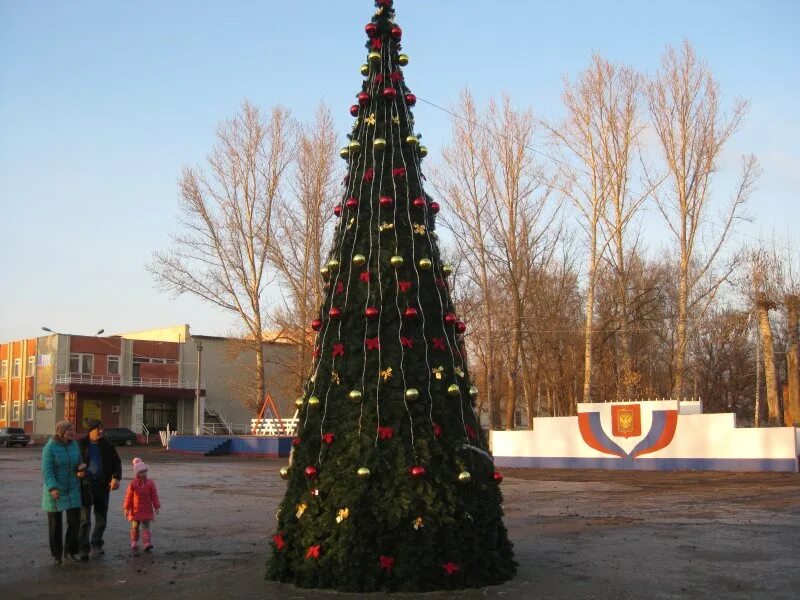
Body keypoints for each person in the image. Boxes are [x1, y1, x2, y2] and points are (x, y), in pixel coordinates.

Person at [78, 419, 122, 559]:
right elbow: (73, 461)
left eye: (102, 429)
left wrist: (116, 477)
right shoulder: (81, 444)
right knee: (84, 519)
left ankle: (97, 544)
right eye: (98, 429)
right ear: (90, 430)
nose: (101, 431)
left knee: (101, 518)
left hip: (102, 486)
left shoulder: (107, 445)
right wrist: (76, 471)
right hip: (85, 486)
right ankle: (83, 547)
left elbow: (117, 462)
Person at [41, 420, 84, 564]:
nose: (72, 432)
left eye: (73, 429)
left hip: (72, 487)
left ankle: (71, 552)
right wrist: (53, 488)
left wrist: (80, 468)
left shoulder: (74, 445)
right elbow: (47, 470)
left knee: (75, 521)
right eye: (69, 430)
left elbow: (78, 462)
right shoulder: (50, 447)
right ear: (61, 432)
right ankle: (56, 554)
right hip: (55, 489)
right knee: (55, 524)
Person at [123, 458, 160, 555]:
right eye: (141, 472)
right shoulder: (133, 484)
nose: (143, 474)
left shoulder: (150, 483)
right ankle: (134, 541)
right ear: (137, 473)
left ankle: (147, 543)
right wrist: (126, 508)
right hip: (135, 511)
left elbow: (154, 496)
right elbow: (128, 497)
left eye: (145, 471)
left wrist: (156, 507)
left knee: (146, 527)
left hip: (146, 510)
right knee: (135, 526)